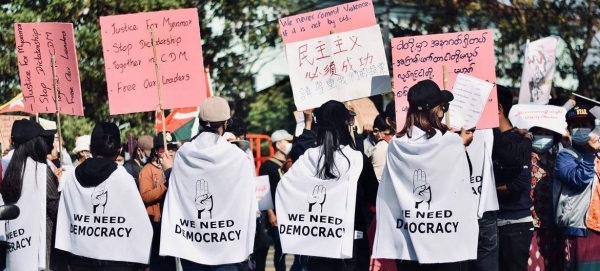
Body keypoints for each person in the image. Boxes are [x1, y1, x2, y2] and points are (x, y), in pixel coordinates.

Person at [372, 79, 476, 271]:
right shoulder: (451, 142)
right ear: (437, 110)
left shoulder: (396, 144)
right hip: (445, 240)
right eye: (443, 107)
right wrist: (461, 146)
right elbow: (462, 182)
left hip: (408, 239)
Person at [276, 100, 378, 271]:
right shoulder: (358, 159)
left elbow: (293, 163)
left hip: (316, 244)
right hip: (351, 245)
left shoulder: (308, 158)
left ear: (318, 125)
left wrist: (307, 126)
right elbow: (374, 196)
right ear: (347, 122)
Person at [160, 97, 256, 271]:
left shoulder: (184, 153)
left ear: (201, 121)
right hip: (227, 244)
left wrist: (168, 171)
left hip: (192, 243)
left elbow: (178, 190)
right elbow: (247, 198)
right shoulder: (236, 155)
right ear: (226, 123)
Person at [55, 122, 153, 271]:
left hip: (79, 261)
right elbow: (140, 225)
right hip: (117, 262)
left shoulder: (72, 177)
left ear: (91, 149)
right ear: (119, 150)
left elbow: (64, 221)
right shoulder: (123, 178)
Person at [1, 119, 66, 270]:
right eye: (42, 139)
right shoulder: (41, 171)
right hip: (42, 253)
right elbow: (56, 210)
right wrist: (60, 187)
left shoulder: (9, 169)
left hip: (15, 252)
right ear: (34, 142)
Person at [493, 86, 534, 271]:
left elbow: (520, 183)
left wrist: (484, 189)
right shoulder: (488, 139)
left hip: (514, 226)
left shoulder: (518, 141)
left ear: (498, 108)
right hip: (492, 224)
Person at [554, 105, 600, 270]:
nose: (581, 129)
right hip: (578, 228)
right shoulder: (565, 156)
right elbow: (579, 180)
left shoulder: (598, 154)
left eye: (586, 125)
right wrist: (588, 155)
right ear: (569, 129)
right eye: (576, 126)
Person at [138, 132, 178, 271]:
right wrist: (165, 186)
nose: (170, 151)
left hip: (174, 224)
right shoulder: (147, 170)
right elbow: (145, 196)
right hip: (156, 225)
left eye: (172, 147)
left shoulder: (179, 168)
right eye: (165, 148)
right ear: (156, 150)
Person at [526, 126, 563, 271]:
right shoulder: (525, 158)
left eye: (548, 133)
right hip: (531, 224)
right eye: (539, 133)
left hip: (554, 224)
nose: (543, 137)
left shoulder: (558, 160)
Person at [259, 129, 294, 271]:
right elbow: (263, 192)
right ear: (278, 144)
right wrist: (270, 213)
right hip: (277, 213)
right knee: (279, 249)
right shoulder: (267, 166)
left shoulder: (292, 163)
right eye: (288, 142)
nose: (291, 144)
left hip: (290, 211)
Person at [370, 114, 392, 182]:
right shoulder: (380, 148)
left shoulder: (381, 148)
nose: (390, 137)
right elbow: (377, 179)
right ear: (375, 131)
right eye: (386, 134)